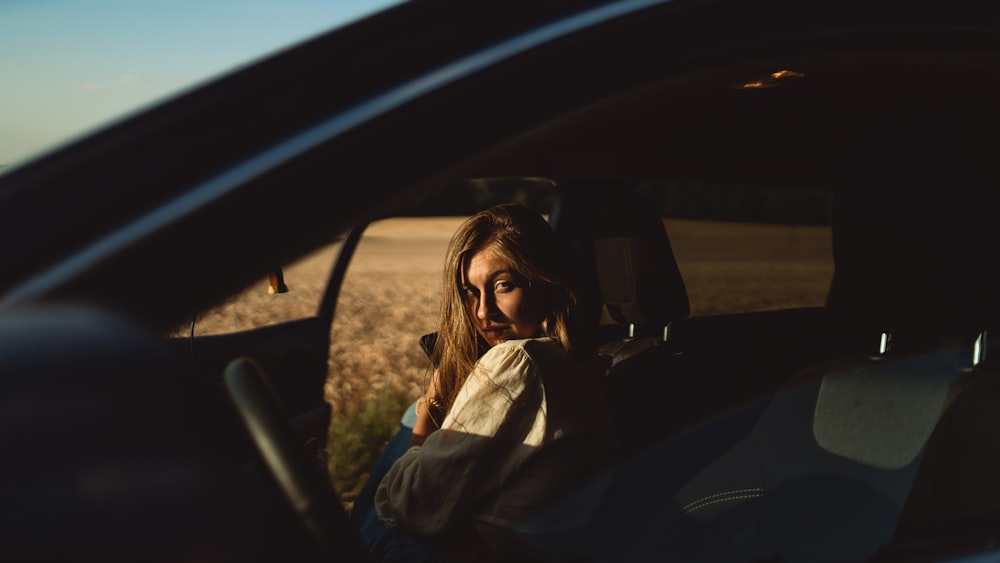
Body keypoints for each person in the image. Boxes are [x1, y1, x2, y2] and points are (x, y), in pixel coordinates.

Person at [353, 202, 616, 562]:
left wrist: (431, 404)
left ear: (545, 282)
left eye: (503, 286)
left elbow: (411, 505)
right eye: (470, 291)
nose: (481, 311)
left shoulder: (519, 361)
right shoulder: (580, 361)